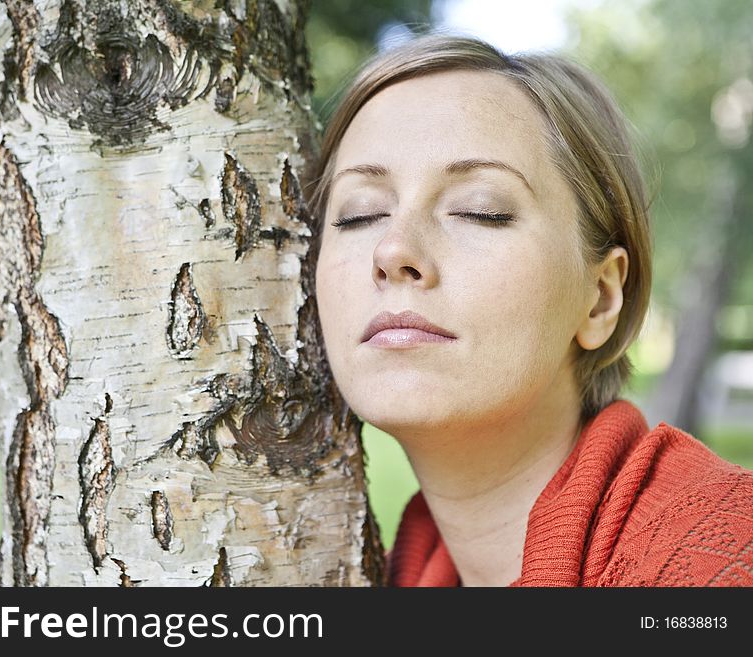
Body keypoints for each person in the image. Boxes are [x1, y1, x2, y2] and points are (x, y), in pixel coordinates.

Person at [309, 34, 753, 587]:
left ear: (601, 298)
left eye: (480, 211)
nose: (394, 251)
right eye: (360, 214)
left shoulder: (720, 559)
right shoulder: (405, 575)